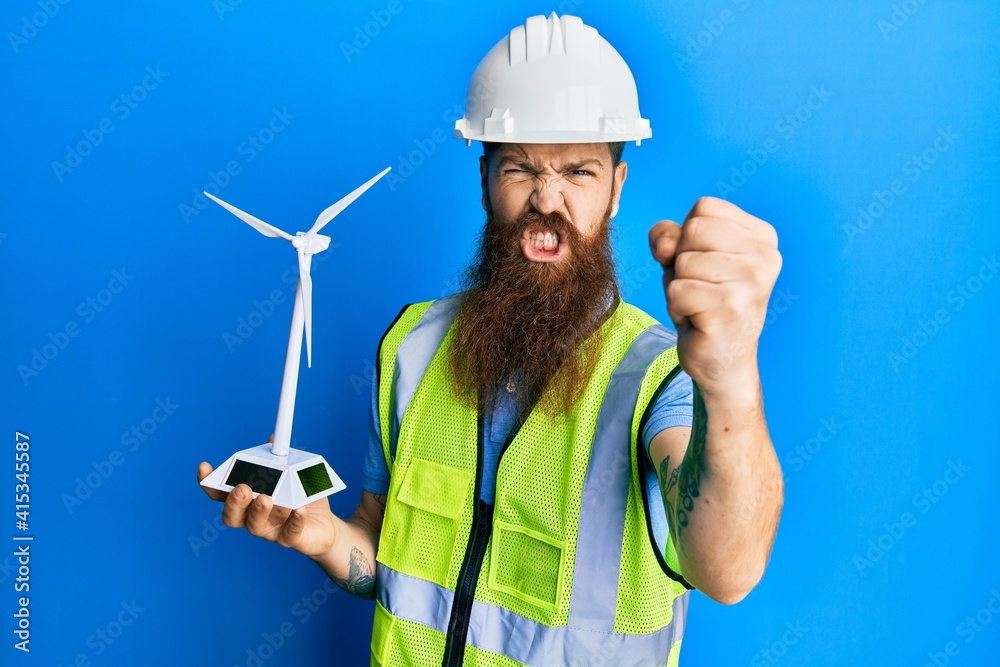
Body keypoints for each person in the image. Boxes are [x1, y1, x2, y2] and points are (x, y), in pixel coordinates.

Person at [198, 13, 783, 666]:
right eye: (520, 168)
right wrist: (324, 536)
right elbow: (380, 547)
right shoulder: (411, 347)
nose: (547, 199)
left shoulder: (659, 381)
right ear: (485, 181)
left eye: (579, 173)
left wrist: (729, 376)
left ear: (617, 190)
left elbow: (729, 567)